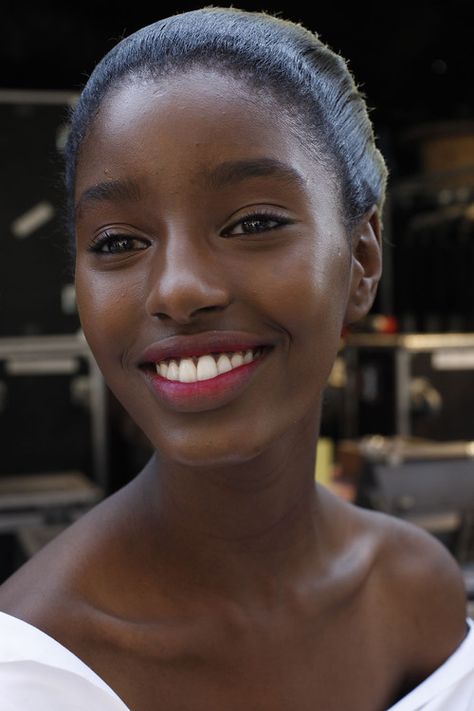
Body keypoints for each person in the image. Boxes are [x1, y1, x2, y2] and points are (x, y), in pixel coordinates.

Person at [0, 7, 472, 710]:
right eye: (118, 242)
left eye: (252, 222)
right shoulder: (35, 670)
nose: (180, 289)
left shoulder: (420, 592)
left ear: (363, 260)